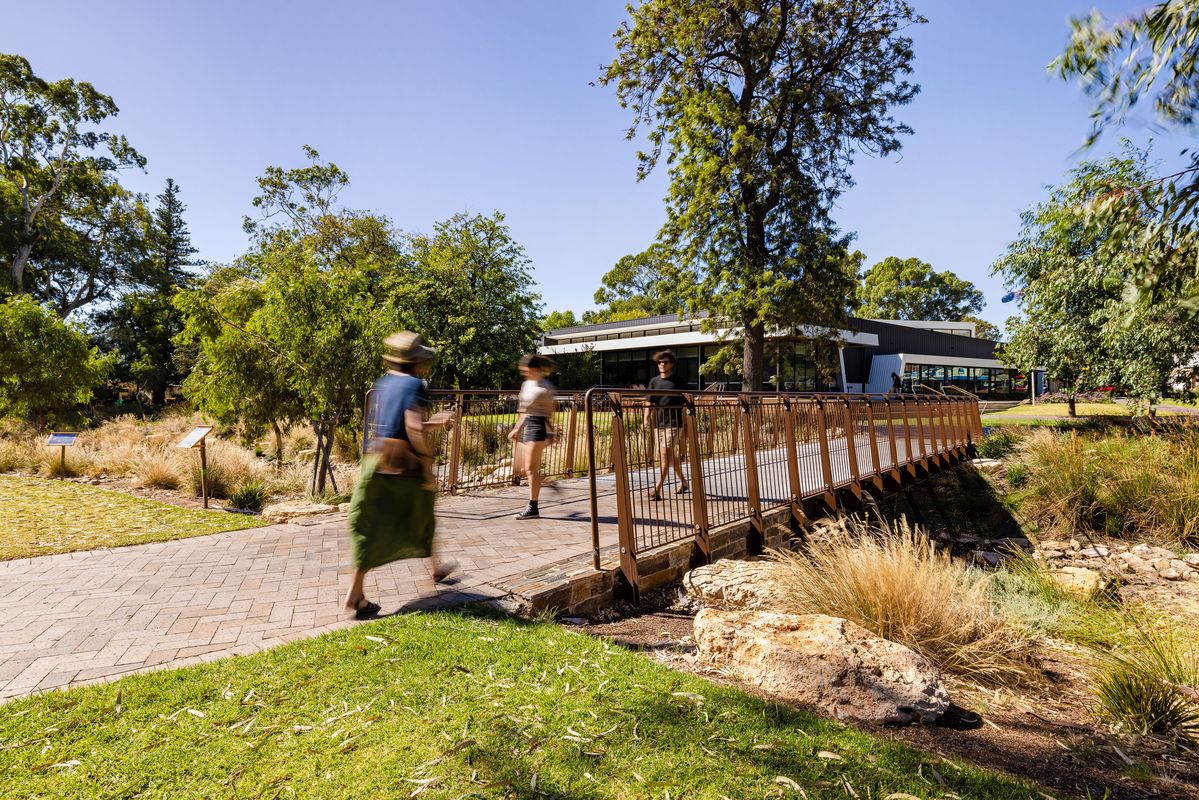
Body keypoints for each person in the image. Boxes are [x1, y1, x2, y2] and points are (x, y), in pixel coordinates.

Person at [344, 331, 455, 620]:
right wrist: (428, 466)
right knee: (421, 513)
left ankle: (357, 591)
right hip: (404, 465)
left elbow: (397, 425)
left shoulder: (384, 382)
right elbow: (413, 428)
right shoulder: (416, 385)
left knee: (370, 524)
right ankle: (435, 567)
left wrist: (435, 423)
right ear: (418, 361)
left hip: (377, 460)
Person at [509, 353, 558, 520]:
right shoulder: (525, 385)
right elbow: (523, 411)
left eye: (526, 370)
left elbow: (549, 413)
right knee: (522, 469)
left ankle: (533, 507)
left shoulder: (546, 388)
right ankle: (547, 483)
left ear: (535, 369)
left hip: (539, 426)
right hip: (528, 425)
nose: (524, 373)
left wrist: (551, 433)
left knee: (530, 469)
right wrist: (517, 429)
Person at [645, 349, 690, 501]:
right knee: (670, 456)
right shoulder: (654, 381)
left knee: (664, 455)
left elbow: (688, 401)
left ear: (671, 364)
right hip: (659, 424)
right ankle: (684, 482)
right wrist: (645, 419)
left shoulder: (679, 382)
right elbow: (649, 402)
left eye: (665, 362)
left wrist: (688, 424)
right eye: (659, 362)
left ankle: (657, 489)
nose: (662, 364)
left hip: (674, 423)